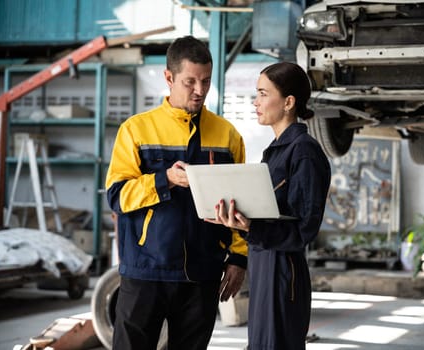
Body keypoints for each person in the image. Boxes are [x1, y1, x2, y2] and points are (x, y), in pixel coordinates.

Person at [105, 35, 248, 350]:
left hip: (203, 272)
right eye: (190, 81)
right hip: (146, 271)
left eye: (206, 81)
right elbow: (118, 196)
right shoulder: (136, 130)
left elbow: (241, 203)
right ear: (169, 78)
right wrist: (164, 180)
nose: (200, 90)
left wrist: (239, 257)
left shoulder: (227, 136)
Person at [207, 62, 331, 349]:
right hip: (264, 264)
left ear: (288, 102)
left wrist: (253, 226)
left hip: (282, 270)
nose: (256, 102)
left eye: (263, 94)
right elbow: (269, 213)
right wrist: (237, 219)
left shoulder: (303, 153)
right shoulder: (275, 152)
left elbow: (304, 228)